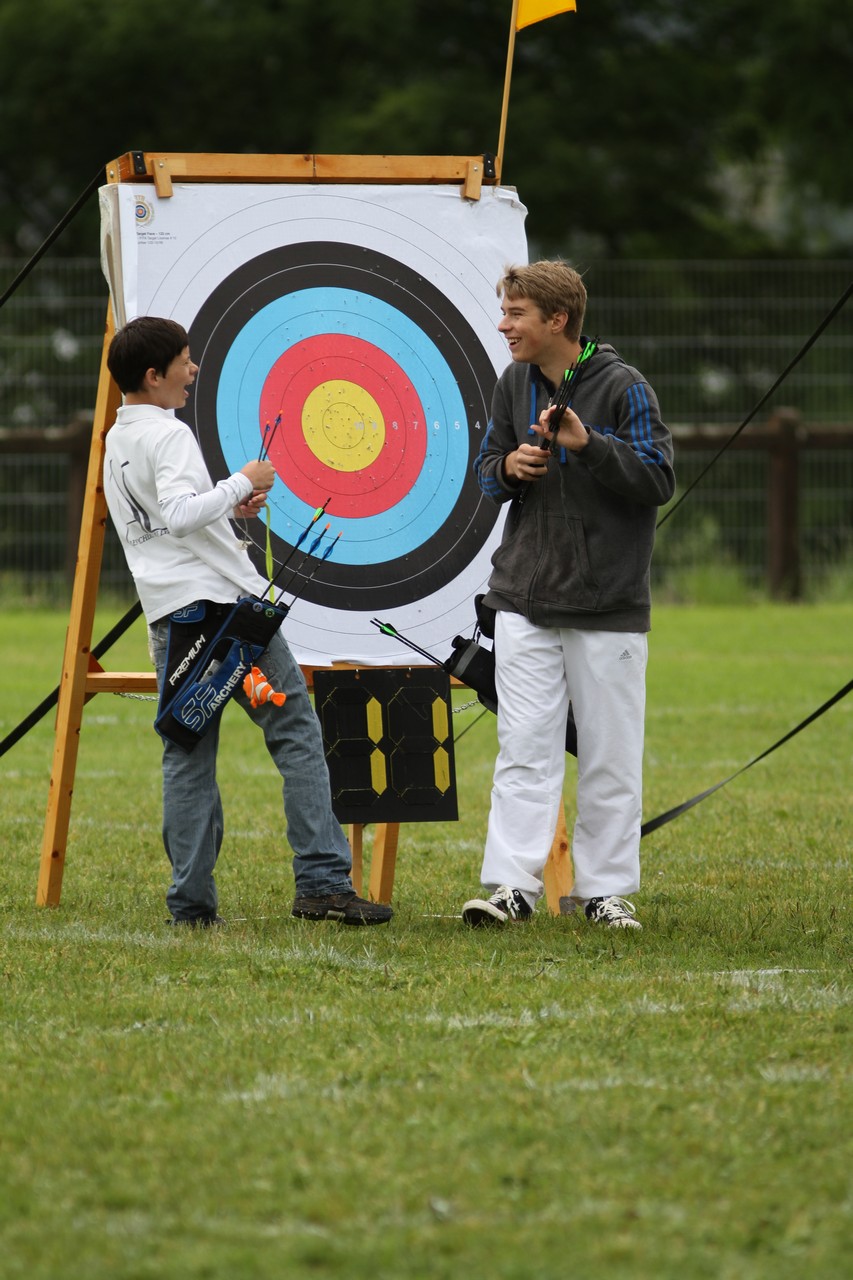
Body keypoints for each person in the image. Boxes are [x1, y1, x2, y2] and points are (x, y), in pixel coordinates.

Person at [103, 315, 392, 928]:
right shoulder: (170, 433)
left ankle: (191, 906)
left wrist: (229, 507)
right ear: (154, 376)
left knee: (187, 752)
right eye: (184, 361)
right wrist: (243, 480)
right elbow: (180, 515)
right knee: (295, 734)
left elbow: (165, 524)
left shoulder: (117, 440)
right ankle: (322, 883)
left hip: (170, 617)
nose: (194, 370)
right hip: (225, 613)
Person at [461, 261, 674, 931]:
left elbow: (656, 479)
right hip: (523, 597)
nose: (503, 325)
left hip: (608, 605)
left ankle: (604, 892)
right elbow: (486, 474)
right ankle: (511, 888)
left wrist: (588, 444)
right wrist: (508, 467)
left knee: (609, 754)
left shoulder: (625, 386)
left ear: (556, 320)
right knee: (523, 748)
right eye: (505, 311)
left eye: (515, 314)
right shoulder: (511, 382)